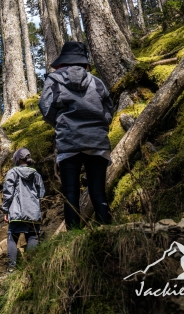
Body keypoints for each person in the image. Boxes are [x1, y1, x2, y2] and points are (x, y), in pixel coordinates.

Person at [38, 41, 113, 230]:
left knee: (70, 192)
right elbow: (108, 110)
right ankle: (108, 232)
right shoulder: (96, 82)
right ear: (82, 62)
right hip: (97, 141)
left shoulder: (53, 81)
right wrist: (98, 123)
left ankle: (73, 238)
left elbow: (46, 109)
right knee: (98, 191)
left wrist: (62, 123)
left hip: (68, 142)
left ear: (64, 61)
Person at [2, 148, 45, 271]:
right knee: (32, 236)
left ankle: (11, 268)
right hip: (33, 212)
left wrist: (5, 210)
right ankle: (32, 267)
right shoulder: (36, 174)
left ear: (18, 159)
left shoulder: (12, 172)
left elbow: (8, 193)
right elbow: (41, 193)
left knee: (12, 237)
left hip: (17, 211)